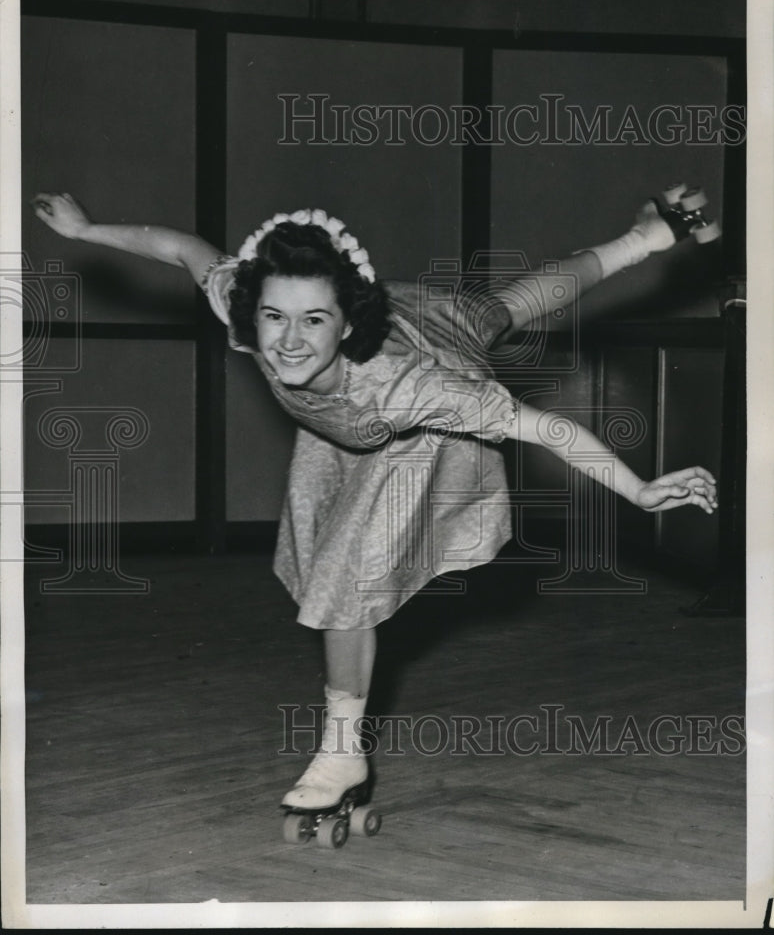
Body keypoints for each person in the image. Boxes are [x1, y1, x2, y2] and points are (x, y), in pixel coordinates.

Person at [32, 192, 717, 818]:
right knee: (500, 310)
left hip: (413, 424)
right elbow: (182, 247)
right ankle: (644, 238)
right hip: (389, 360)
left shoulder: (409, 388)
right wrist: (89, 230)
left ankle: (340, 748)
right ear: (253, 310)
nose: (289, 341)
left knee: (343, 579)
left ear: (343, 324)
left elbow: (543, 427)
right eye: (274, 318)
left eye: (311, 321)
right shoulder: (251, 308)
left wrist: (639, 488)